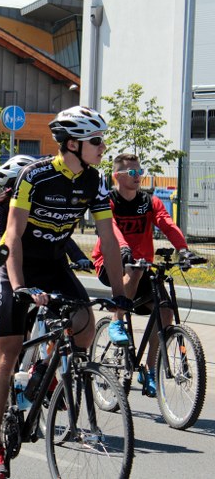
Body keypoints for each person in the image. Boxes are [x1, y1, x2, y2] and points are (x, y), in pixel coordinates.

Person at [0, 106, 131, 478]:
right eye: (97, 141)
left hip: (54, 263)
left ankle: (41, 375)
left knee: (84, 324)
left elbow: (108, 238)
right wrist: (19, 286)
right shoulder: (36, 175)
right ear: (73, 144)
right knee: (7, 353)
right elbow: (12, 235)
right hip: (18, 263)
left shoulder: (95, 180)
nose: (103, 147)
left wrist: (120, 293)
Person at [91, 152, 200, 397]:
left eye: (139, 171)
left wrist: (183, 250)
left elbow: (167, 223)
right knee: (134, 270)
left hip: (140, 266)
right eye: (132, 172)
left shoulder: (149, 201)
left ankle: (149, 369)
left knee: (165, 311)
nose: (138, 176)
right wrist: (123, 248)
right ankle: (117, 321)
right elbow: (111, 228)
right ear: (116, 176)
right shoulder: (108, 202)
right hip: (109, 263)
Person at [0, 154, 92, 288]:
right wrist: (4, 253)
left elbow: (56, 233)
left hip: (23, 250)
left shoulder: (36, 201)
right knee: (0, 288)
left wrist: (79, 257)